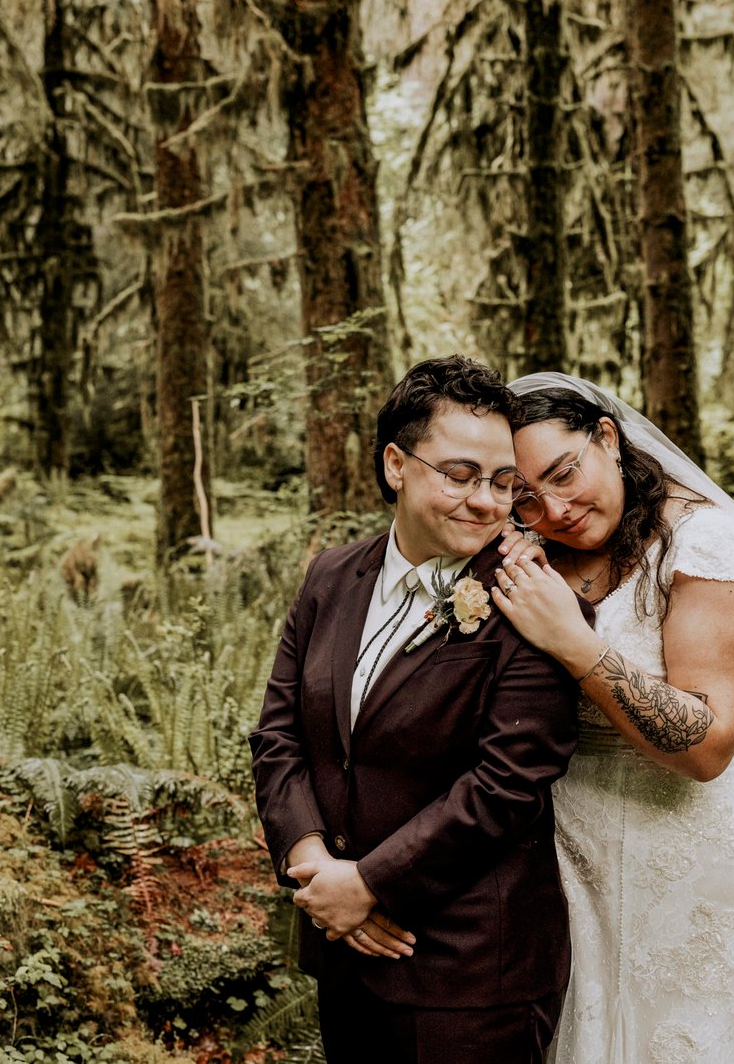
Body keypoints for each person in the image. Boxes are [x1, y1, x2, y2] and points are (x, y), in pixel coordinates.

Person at [489, 374, 734, 1064]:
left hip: (707, 862)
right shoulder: (539, 553)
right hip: (576, 859)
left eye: (564, 474)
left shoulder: (711, 547)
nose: (557, 508)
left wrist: (573, 643)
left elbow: (708, 743)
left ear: (606, 437)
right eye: (526, 499)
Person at [248, 357, 587, 1064]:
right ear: (397, 464)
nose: (487, 502)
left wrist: (370, 884)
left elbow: (508, 784)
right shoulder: (332, 577)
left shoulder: (533, 598)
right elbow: (279, 734)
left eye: (503, 482)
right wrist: (314, 866)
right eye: (460, 475)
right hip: (344, 954)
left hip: (466, 975)